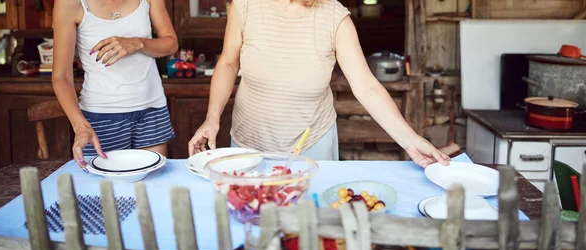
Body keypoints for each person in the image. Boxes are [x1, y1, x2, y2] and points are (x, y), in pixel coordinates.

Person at [188, 0, 450, 168]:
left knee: (310, 228)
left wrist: (410, 140)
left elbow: (366, 86)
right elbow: (228, 63)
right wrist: (212, 118)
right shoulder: (245, 6)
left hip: (311, 145)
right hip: (249, 143)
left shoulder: (335, 18)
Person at [52, 0, 178, 169]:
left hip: (151, 110)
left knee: (151, 187)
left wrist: (137, 43)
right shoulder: (70, 3)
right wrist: (80, 126)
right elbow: (61, 76)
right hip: (101, 117)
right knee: (104, 191)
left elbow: (171, 44)